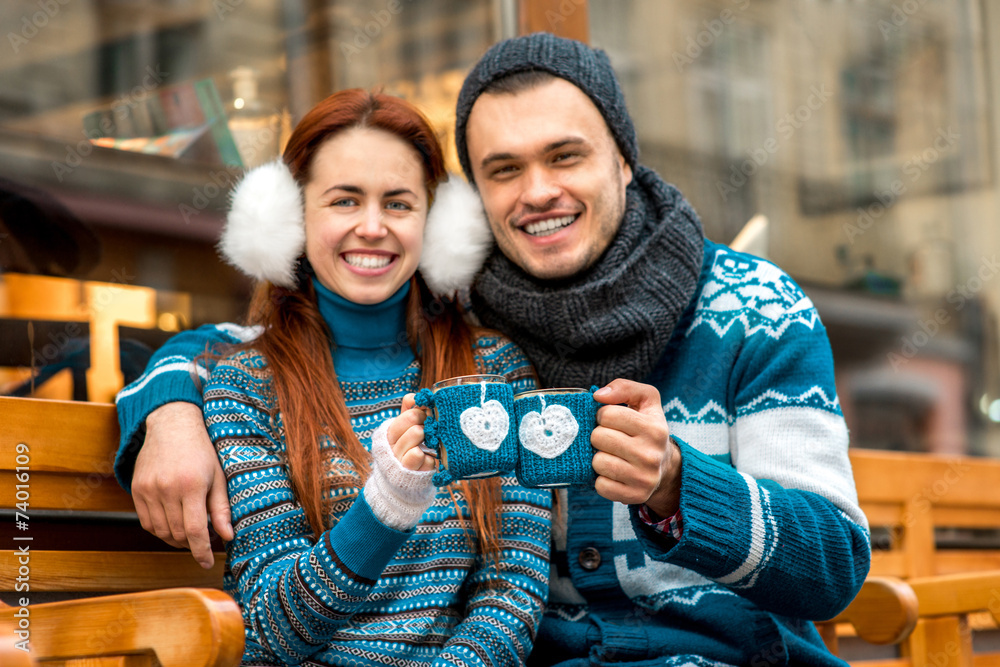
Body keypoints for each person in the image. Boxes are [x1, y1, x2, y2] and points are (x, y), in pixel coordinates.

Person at [115, 35, 870, 667]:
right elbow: (258, 346)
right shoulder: (469, 310)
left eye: (566, 156)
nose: (537, 191)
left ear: (624, 160)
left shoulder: (752, 307)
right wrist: (168, 403)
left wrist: (678, 483)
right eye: (503, 170)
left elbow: (832, 564)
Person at [153, 87, 551, 666]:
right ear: (290, 217)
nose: (372, 226)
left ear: (435, 224)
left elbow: (511, 594)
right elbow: (269, 628)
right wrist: (384, 508)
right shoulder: (245, 387)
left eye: (398, 203)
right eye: (344, 201)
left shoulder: (494, 373)